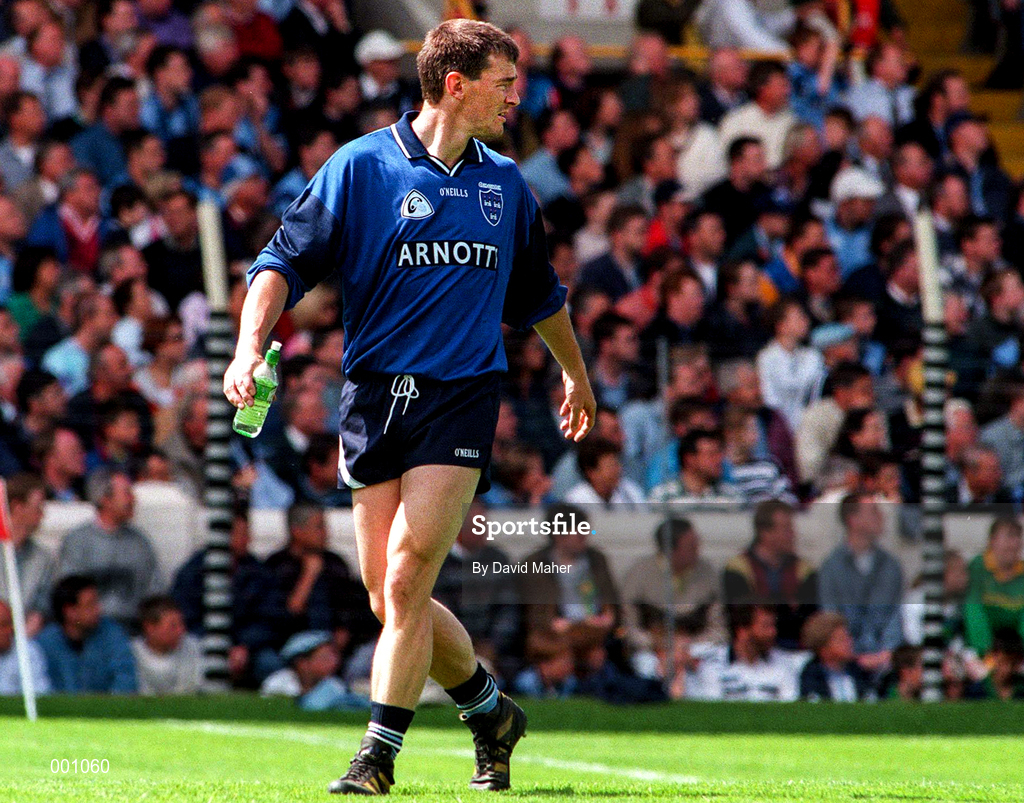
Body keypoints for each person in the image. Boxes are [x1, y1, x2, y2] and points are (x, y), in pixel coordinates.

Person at [222, 20, 596, 794]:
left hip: (460, 398)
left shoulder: (507, 184)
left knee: (407, 577)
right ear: (455, 85)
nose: (515, 96)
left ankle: (377, 754)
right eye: (503, 80)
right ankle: (490, 711)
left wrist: (576, 375)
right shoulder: (360, 168)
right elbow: (280, 262)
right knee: (389, 594)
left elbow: (539, 296)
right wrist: (247, 344)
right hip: (369, 396)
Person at [53, 468, 161, 628]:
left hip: (133, 630)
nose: (133, 499)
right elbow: (68, 594)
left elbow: (155, 591)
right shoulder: (78, 541)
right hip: (88, 631)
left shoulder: (140, 542)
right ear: (105, 500)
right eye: (127, 493)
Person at [818, 492, 904, 673]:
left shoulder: (890, 566)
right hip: (846, 664)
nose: (880, 516)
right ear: (853, 520)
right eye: (873, 511)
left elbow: (894, 618)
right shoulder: (831, 568)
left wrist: (885, 655)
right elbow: (830, 620)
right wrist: (854, 659)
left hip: (886, 664)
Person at [36, 575, 138, 693]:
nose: (98, 610)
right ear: (70, 612)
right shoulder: (45, 643)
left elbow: (125, 680)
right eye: (90, 605)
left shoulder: (112, 634)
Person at [0, 472, 53, 636]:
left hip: (26, 637)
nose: (42, 515)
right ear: (17, 506)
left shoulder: (43, 557)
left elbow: (41, 606)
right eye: (38, 508)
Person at [131, 595, 204, 695]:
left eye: (181, 624)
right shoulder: (132, 652)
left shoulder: (192, 647)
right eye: (173, 626)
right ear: (149, 627)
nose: (181, 631)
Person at [0, 597, 52, 695]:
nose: (10, 630)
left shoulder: (27, 650)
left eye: (11, 623)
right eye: (3, 625)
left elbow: (39, 694)